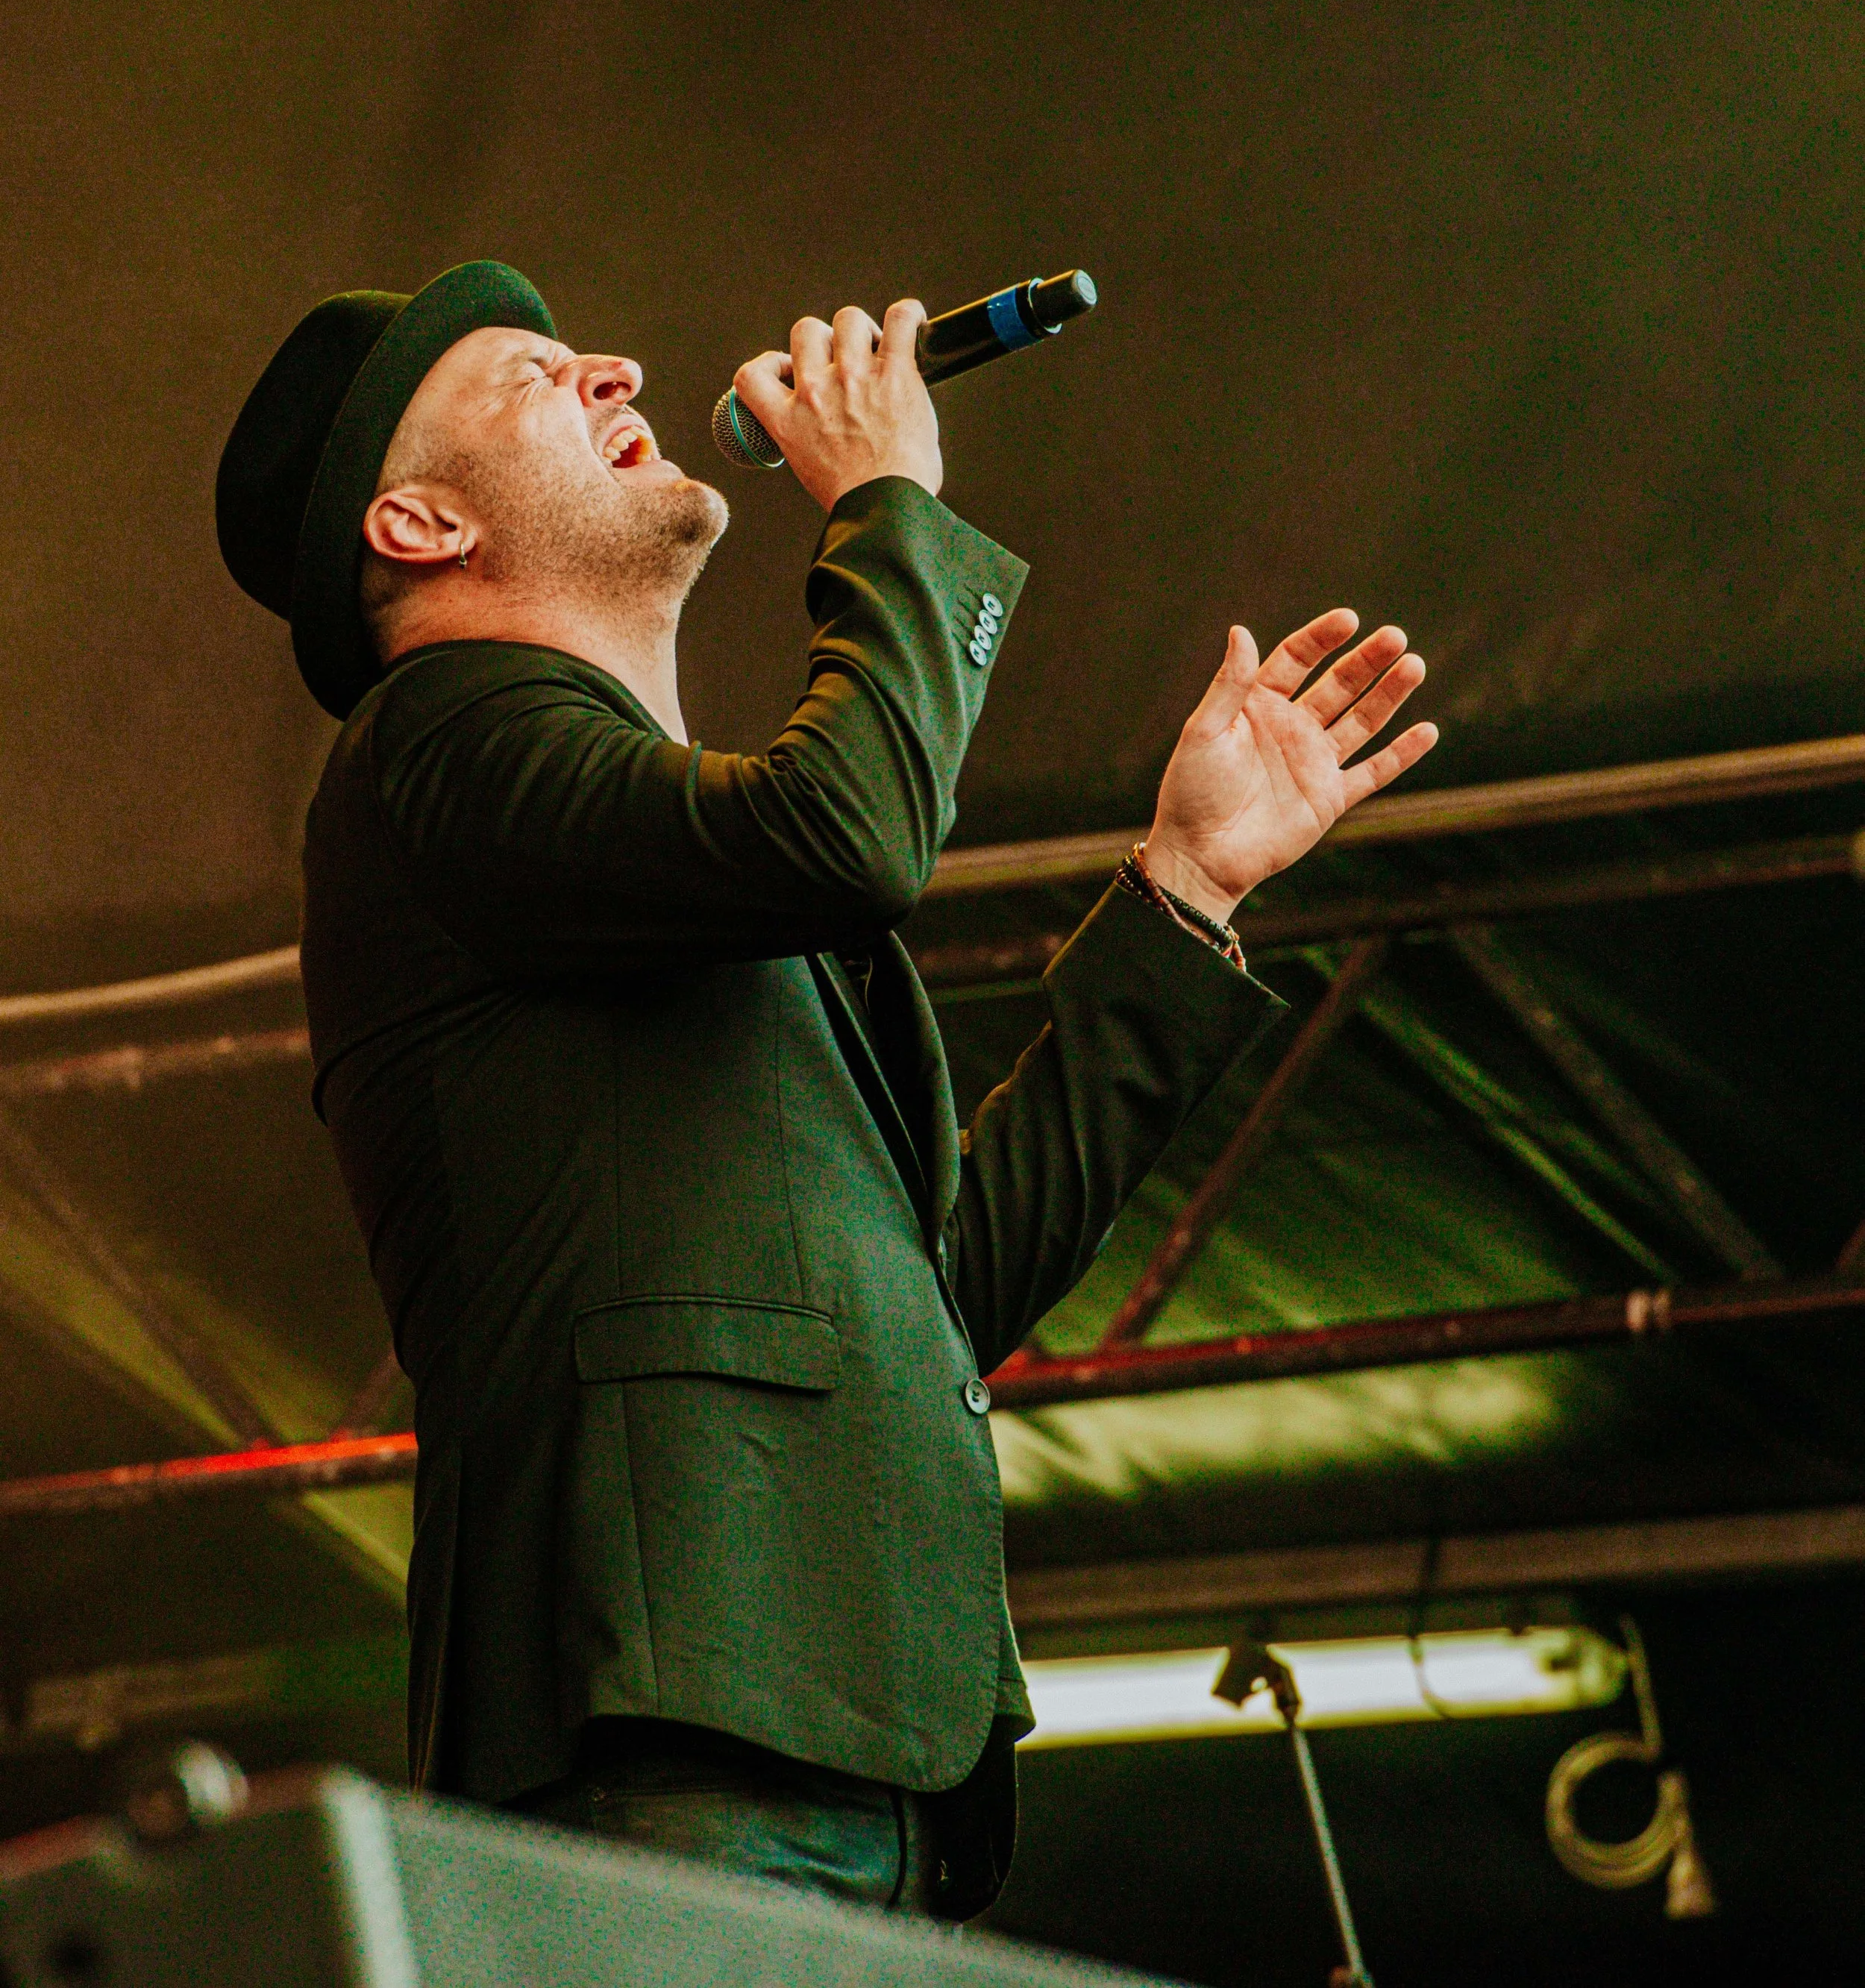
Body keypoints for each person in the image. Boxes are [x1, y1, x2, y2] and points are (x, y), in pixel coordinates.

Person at [216, 260, 1435, 1920]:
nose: (610, 366)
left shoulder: (667, 870)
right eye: (528, 372)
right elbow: (850, 836)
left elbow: (938, 1299)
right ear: (420, 525)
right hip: (665, 1733)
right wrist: (884, 504)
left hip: (848, 1741)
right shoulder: (437, 738)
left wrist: (1185, 888)